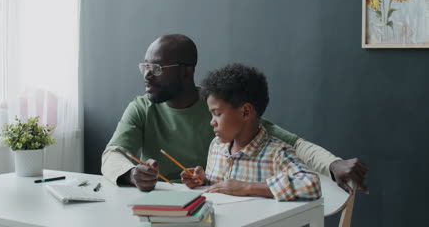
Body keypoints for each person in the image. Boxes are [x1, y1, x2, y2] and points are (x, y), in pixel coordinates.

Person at [101, 34, 368, 194]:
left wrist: (333, 164)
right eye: (145, 66)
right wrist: (131, 174)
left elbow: (294, 145)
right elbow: (112, 154)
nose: (147, 75)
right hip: (159, 206)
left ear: (186, 71)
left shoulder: (223, 109)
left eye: (157, 68)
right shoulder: (141, 107)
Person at [181, 63, 321, 201]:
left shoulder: (276, 153)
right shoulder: (216, 146)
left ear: (245, 112)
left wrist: (247, 187)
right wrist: (203, 181)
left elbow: (311, 185)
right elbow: (218, 190)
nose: (212, 122)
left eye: (217, 114)